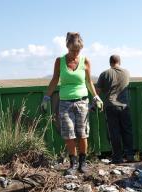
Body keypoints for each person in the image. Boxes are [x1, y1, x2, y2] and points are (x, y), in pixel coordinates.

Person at [41, 32, 103, 174]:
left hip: (82, 102)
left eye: (78, 50)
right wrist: (46, 97)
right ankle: (73, 164)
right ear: (67, 47)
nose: (75, 53)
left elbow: (88, 81)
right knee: (68, 134)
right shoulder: (60, 61)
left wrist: (96, 97)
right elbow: (55, 80)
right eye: (72, 50)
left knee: (82, 134)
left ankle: (83, 163)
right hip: (65, 103)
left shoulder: (85, 61)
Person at [96, 55, 134, 164]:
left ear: (110, 62)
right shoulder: (126, 73)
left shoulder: (104, 74)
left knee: (114, 132)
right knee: (127, 130)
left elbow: (97, 92)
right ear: (119, 62)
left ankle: (117, 157)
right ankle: (130, 155)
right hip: (124, 106)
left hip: (110, 106)